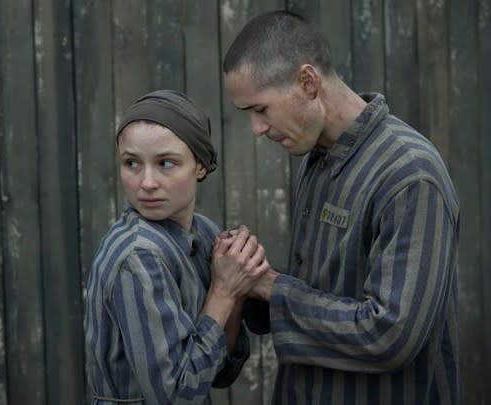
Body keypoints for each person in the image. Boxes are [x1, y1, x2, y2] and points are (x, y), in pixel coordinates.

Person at [219, 10, 462, 404]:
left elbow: (391, 335)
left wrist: (273, 288)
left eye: (261, 110)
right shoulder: (315, 158)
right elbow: (326, 291)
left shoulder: (411, 175)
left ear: (308, 82)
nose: (256, 129)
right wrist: (249, 279)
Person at [84, 89, 270, 404]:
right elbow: (175, 397)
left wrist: (237, 290)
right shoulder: (137, 255)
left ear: (200, 165)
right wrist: (223, 292)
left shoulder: (204, 232)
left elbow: (220, 373)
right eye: (132, 163)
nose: (146, 182)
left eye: (166, 163)